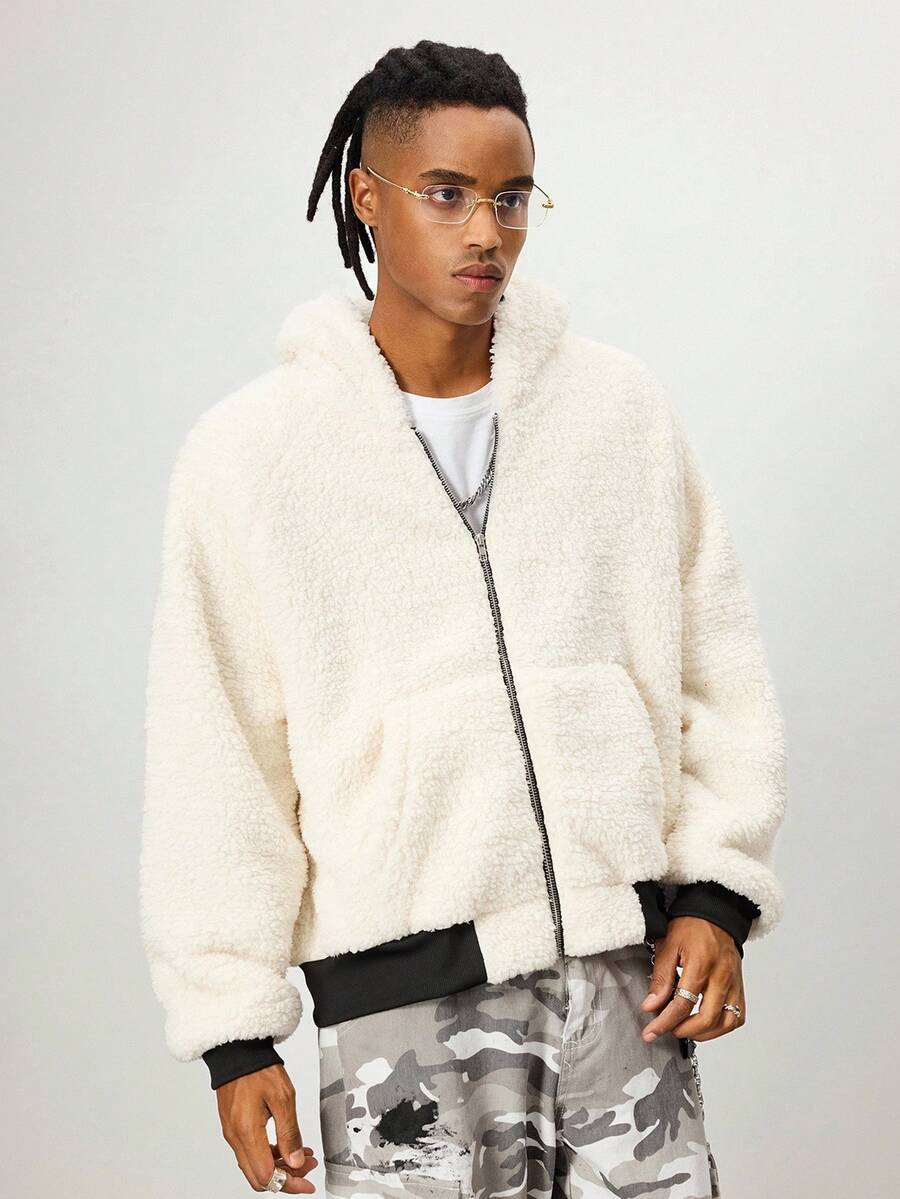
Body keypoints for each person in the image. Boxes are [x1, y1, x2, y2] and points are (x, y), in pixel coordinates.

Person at [139, 39, 786, 1199]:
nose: (487, 231)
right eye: (446, 194)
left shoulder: (618, 412)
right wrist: (234, 1033)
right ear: (367, 196)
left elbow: (718, 666)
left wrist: (718, 892)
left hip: (623, 984)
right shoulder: (252, 459)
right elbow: (216, 756)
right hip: (401, 1012)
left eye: (512, 197)